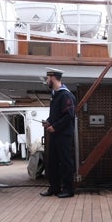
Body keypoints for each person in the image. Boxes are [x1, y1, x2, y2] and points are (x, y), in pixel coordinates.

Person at [40, 68, 77, 198]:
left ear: (53, 78)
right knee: (53, 162)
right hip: (56, 135)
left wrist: (55, 127)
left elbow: (69, 115)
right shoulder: (55, 95)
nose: (46, 80)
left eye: (47, 78)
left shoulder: (65, 95)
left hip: (64, 135)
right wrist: (49, 122)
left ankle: (68, 189)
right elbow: (56, 115)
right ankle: (54, 187)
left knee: (66, 162)